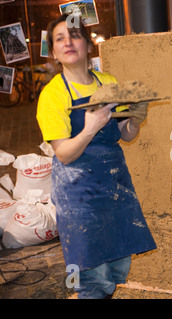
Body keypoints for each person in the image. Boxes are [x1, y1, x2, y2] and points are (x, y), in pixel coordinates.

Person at [36, 14, 157, 299]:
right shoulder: (52, 95)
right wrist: (89, 129)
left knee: (116, 266)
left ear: (88, 45)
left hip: (115, 187)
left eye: (75, 35)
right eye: (59, 38)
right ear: (53, 51)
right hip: (79, 195)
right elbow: (64, 154)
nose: (68, 42)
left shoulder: (108, 82)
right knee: (90, 275)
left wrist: (135, 120)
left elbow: (124, 135)